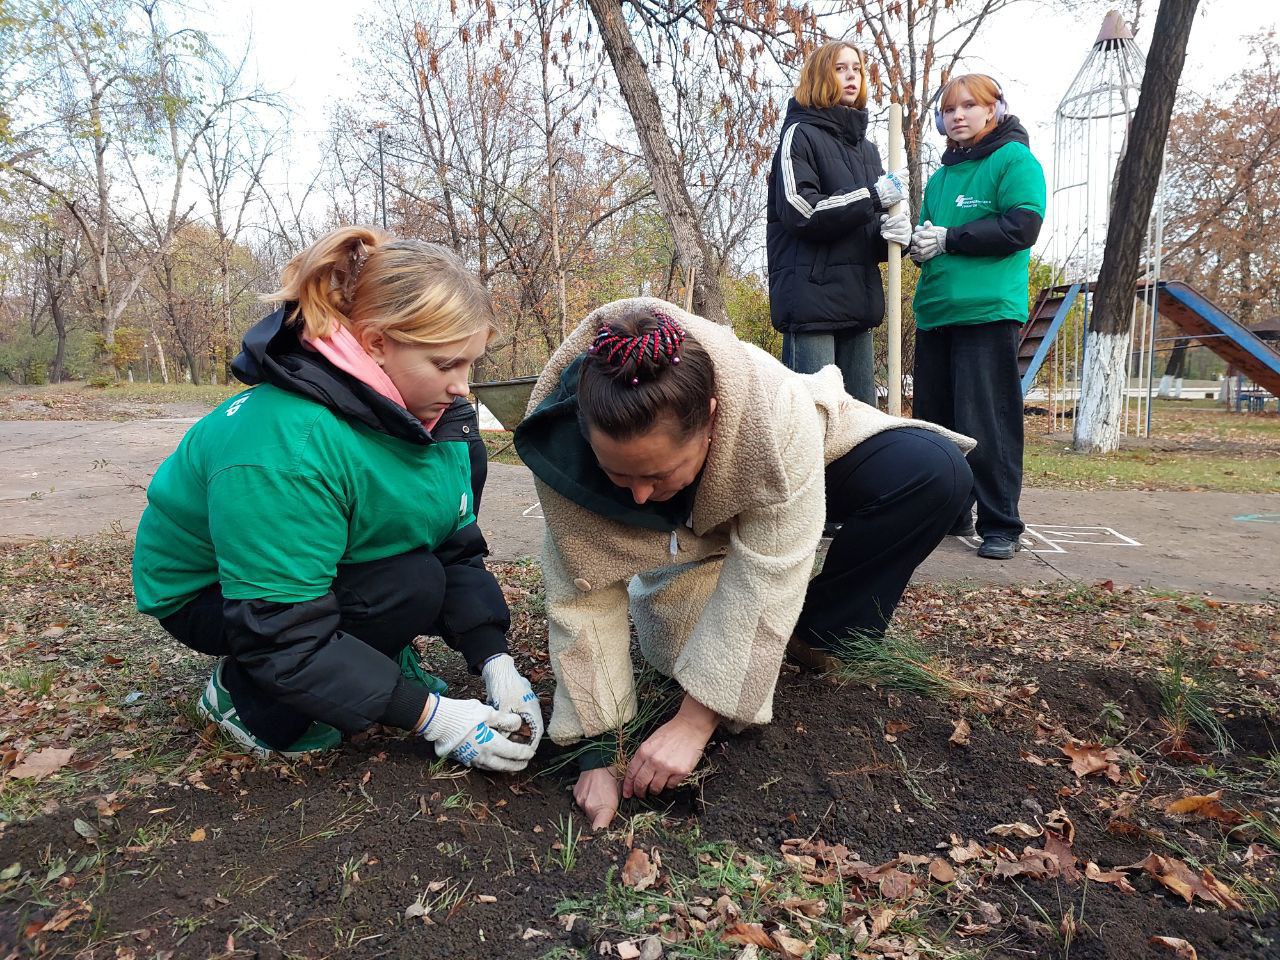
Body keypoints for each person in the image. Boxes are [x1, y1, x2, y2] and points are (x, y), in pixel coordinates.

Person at [513, 300, 974, 828]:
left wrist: (692, 722)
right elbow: (582, 592)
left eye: (659, 475)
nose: (640, 495)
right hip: (688, 547)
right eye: (620, 477)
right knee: (690, 653)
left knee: (935, 474)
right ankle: (735, 625)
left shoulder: (769, 408)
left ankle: (818, 636)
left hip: (801, 462)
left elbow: (770, 568)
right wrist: (599, 751)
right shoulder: (560, 447)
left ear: (710, 418)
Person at [132, 226, 541, 771]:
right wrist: (430, 715)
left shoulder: (438, 421)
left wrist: (494, 658)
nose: (463, 387)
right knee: (395, 594)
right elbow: (279, 627)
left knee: (417, 579)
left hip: (312, 571)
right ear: (375, 344)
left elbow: (453, 548)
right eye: (446, 365)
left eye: (471, 364)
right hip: (218, 594)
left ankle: (368, 658)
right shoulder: (286, 445)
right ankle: (244, 700)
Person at [908, 74, 1046, 560]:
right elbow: (930, 236)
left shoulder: (1014, 160)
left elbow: (1022, 226)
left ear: (994, 110)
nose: (958, 116)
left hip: (987, 312)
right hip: (936, 313)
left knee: (987, 422)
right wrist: (915, 244)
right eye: (949, 109)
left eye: (969, 106)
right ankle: (949, 511)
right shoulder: (941, 178)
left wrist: (951, 237)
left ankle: (1001, 522)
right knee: (936, 425)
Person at [766, 40, 912, 405]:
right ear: (820, 76)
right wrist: (873, 196)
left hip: (858, 304)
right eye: (840, 68)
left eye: (857, 68)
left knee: (863, 422)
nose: (851, 76)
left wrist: (893, 236)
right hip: (812, 304)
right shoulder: (798, 135)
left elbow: (865, 228)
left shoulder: (867, 150)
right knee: (813, 421)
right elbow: (803, 211)